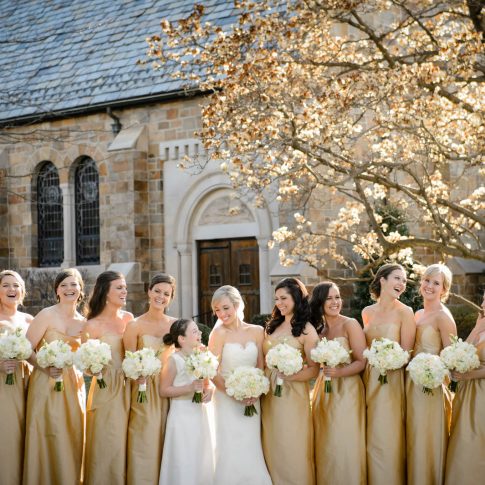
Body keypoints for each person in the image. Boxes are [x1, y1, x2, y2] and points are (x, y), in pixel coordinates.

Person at [23, 268, 85, 485]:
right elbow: (26, 349)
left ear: (80, 289)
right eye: (64, 285)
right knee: (47, 433)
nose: (69, 289)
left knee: (72, 436)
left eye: (73, 284)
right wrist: (45, 367)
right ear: (57, 290)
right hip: (45, 383)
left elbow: (84, 357)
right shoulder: (46, 315)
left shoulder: (83, 321)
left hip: (73, 386)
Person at [209, 285, 272, 485]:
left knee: (250, 442)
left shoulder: (257, 331)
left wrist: (256, 390)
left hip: (252, 397)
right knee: (230, 443)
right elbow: (212, 370)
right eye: (217, 310)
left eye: (226, 308)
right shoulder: (218, 334)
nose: (222, 313)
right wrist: (233, 393)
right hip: (227, 398)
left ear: (237, 305)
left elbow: (261, 365)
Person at [262, 277, 319, 485]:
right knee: (271, 443)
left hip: (292, 396)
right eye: (277, 299)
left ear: (296, 297)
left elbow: (314, 369)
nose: (279, 303)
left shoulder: (307, 330)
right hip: (268, 394)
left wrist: (290, 376)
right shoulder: (272, 326)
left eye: (284, 298)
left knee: (290, 443)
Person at [362, 263, 415, 485]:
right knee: (370, 433)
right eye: (397, 278)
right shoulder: (366, 312)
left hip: (391, 382)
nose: (402, 284)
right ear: (382, 280)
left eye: (404, 281)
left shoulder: (405, 312)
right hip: (367, 380)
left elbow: (407, 353)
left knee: (386, 432)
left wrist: (389, 361)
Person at [310, 281, 367, 485]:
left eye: (337, 297)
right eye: (329, 298)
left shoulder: (350, 324)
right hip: (323, 392)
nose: (335, 302)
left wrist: (339, 372)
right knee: (326, 441)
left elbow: (362, 361)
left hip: (348, 391)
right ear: (320, 302)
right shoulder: (319, 330)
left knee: (344, 440)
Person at [406, 264, 456, 485]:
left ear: (444, 290)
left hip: (430, 388)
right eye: (427, 280)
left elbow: (450, 359)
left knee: (425, 438)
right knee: (412, 438)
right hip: (410, 385)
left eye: (436, 283)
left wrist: (432, 372)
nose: (430, 286)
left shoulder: (443, 317)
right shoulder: (417, 314)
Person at [124, 274, 177, 485]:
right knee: (143, 439)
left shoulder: (176, 326)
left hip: (169, 390)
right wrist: (138, 375)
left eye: (166, 294)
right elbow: (128, 362)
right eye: (157, 291)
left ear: (170, 298)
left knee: (167, 440)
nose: (161, 297)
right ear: (149, 291)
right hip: (143, 391)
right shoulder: (135, 326)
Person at [83, 271, 133, 485]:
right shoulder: (92, 325)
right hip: (106, 389)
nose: (124, 291)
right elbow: (85, 365)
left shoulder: (129, 318)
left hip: (131, 385)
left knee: (128, 441)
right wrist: (94, 369)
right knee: (108, 442)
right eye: (119, 288)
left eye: (125, 287)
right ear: (105, 292)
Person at [158, 319, 214, 485]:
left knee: (200, 456)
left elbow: (206, 383)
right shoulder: (174, 360)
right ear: (182, 339)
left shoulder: (202, 356)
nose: (200, 334)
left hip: (199, 413)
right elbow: (164, 390)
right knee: (183, 458)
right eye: (195, 331)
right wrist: (189, 388)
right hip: (181, 415)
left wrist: (209, 391)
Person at [445, 290, 485, 485]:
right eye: (484, 299)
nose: (484, 304)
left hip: (482, 394)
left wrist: (469, 375)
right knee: (463, 440)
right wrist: (477, 328)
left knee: (477, 439)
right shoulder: (480, 325)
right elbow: (463, 350)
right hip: (467, 392)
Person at [0, 270, 33, 485]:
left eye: (16, 285)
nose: (11, 289)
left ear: (22, 291)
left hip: (27, 382)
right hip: (4, 385)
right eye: (5, 285)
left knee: (27, 436)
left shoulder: (29, 319)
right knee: (8, 436)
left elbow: (37, 353)